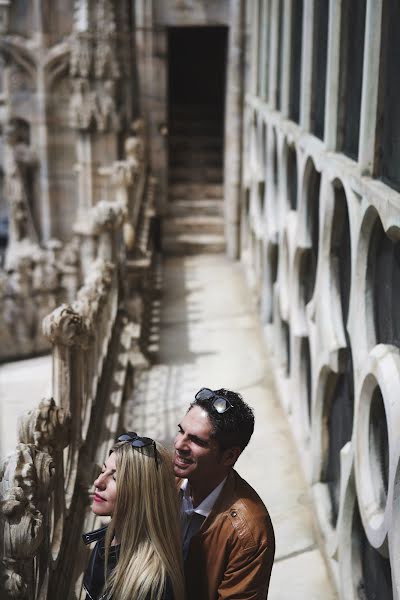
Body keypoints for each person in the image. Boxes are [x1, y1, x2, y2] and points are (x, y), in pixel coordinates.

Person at [174, 387, 275, 600]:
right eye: (180, 431)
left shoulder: (250, 534)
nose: (179, 445)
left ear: (229, 456)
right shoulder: (163, 478)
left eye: (196, 441)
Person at [82, 432, 185, 600]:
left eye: (115, 478)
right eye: (103, 470)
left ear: (141, 494)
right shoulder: (105, 541)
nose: (98, 482)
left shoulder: (152, 585)